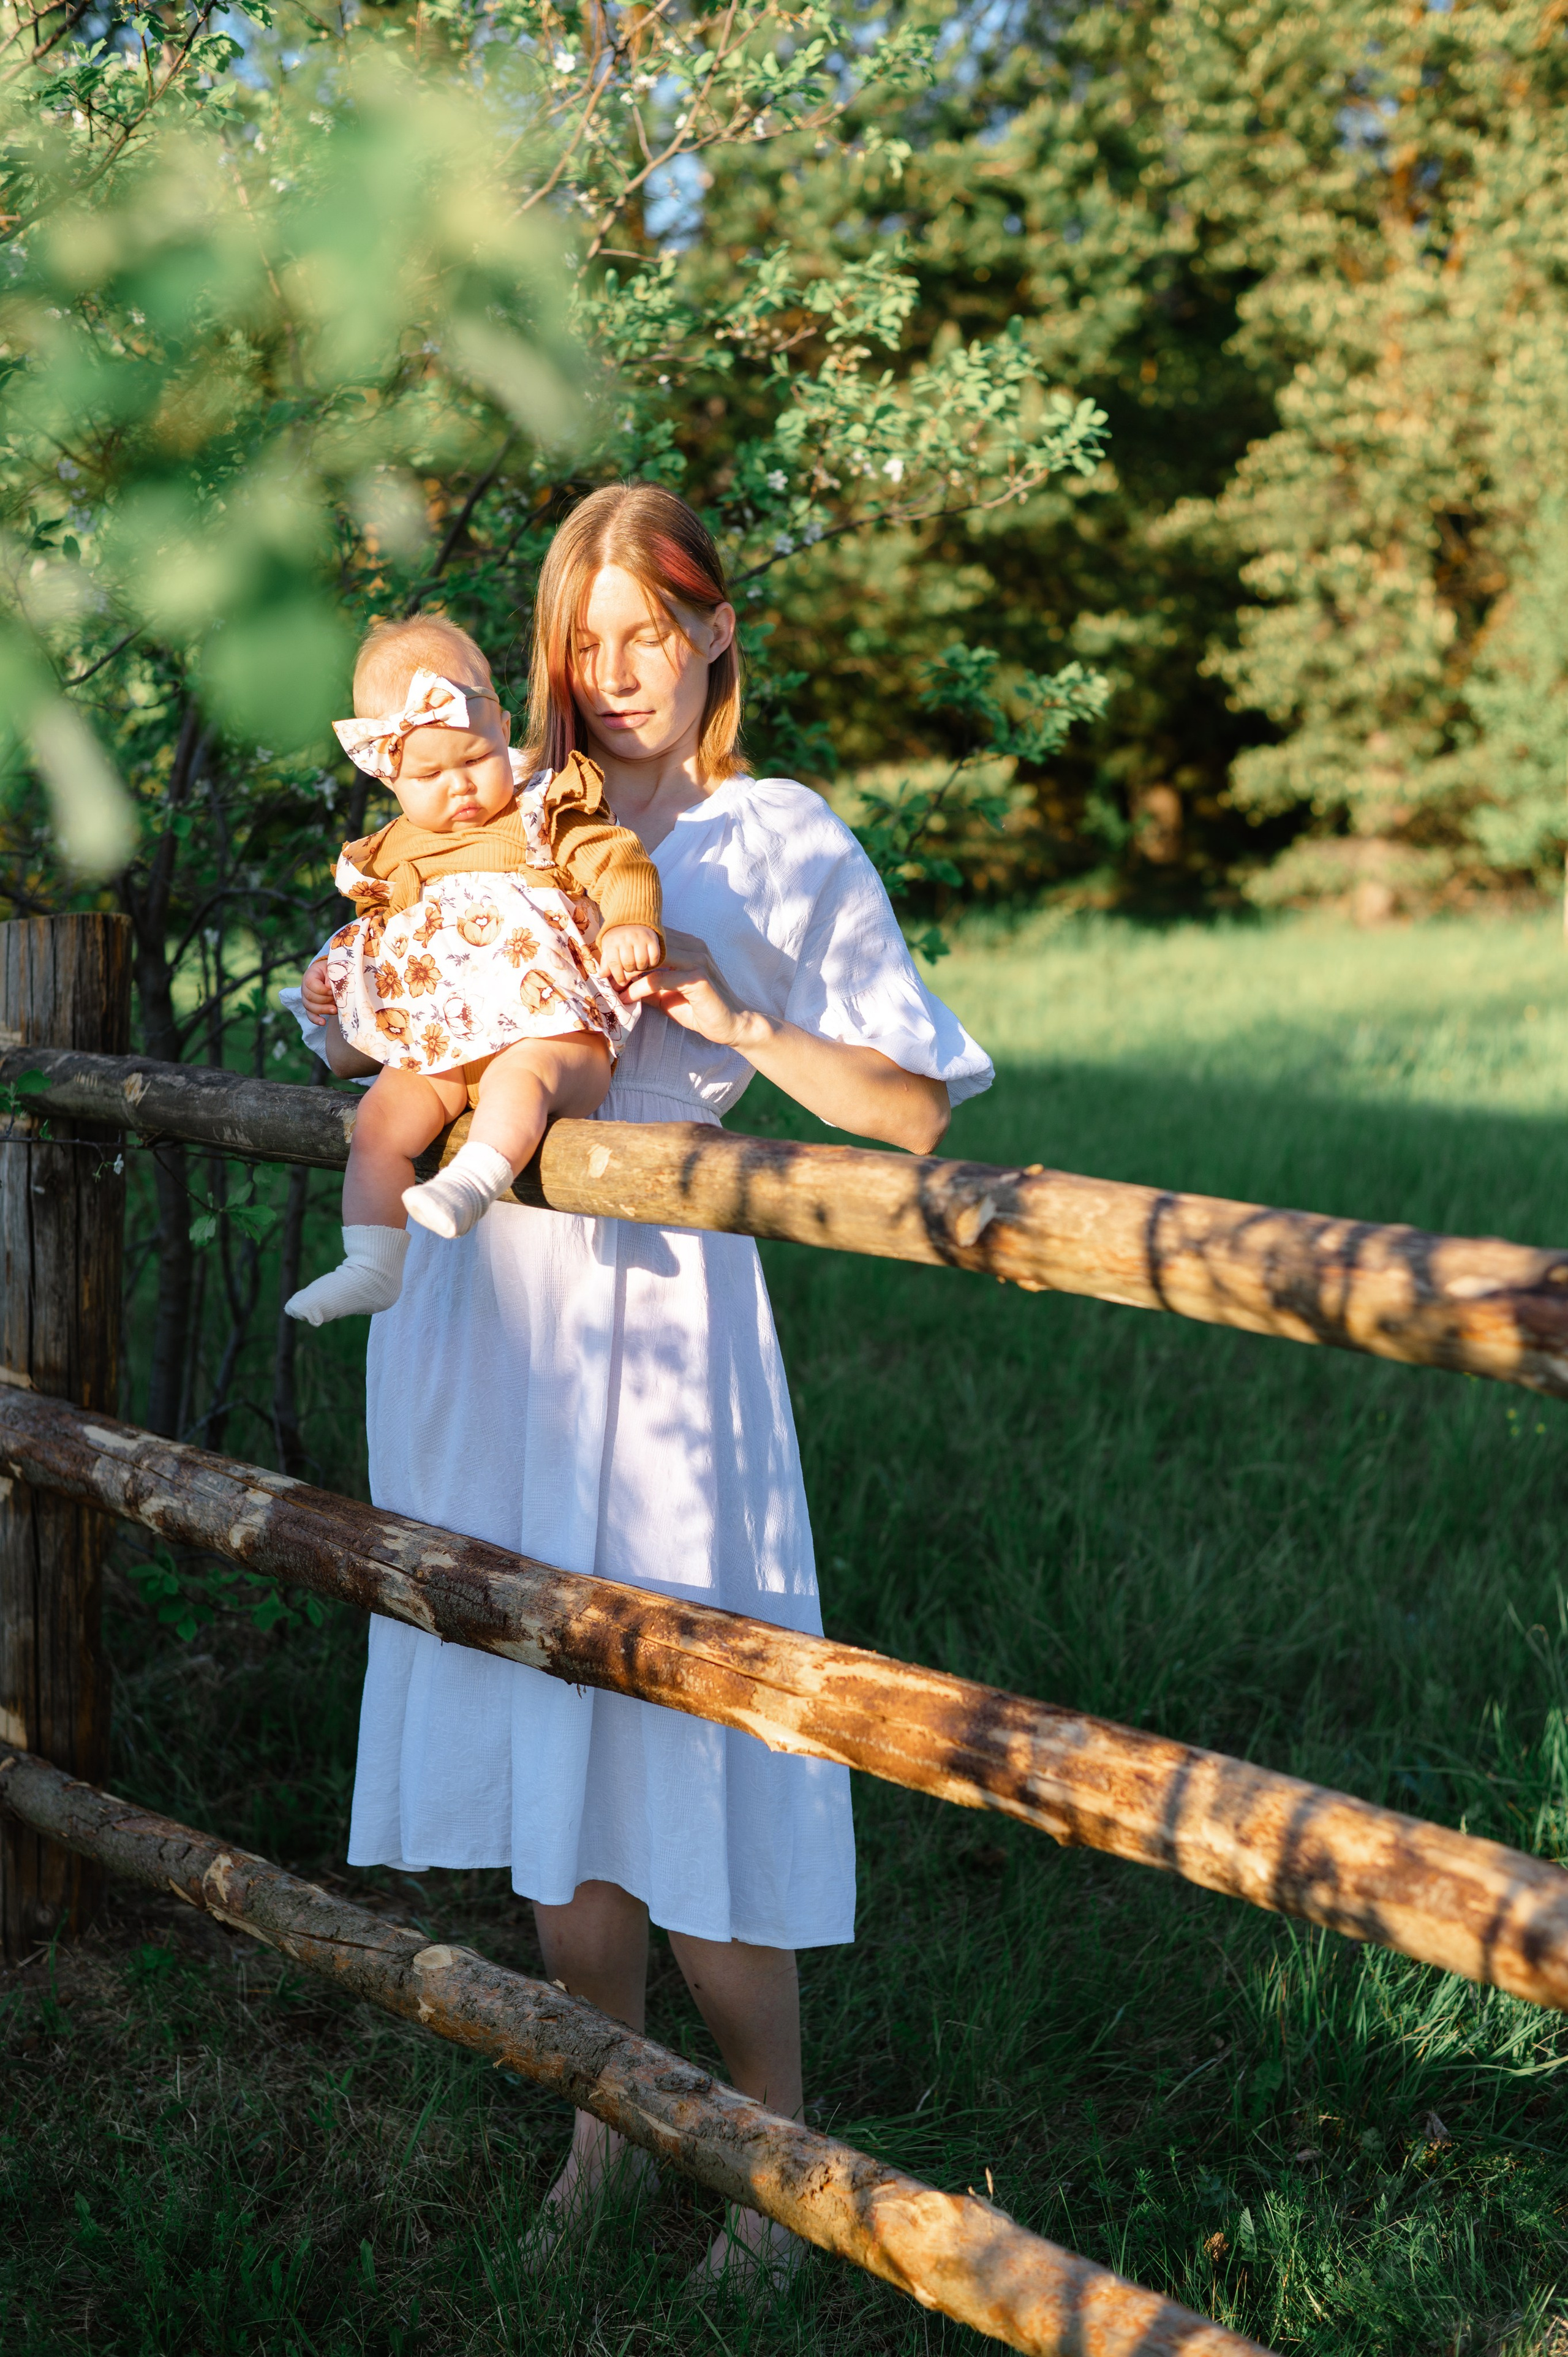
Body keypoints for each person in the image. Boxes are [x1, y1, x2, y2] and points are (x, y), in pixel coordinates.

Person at [281, 483, 993, 2289]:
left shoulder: (777, 836)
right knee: (547, 1737)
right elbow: (360, 995)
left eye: (644, 638)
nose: (610, 678)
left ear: (712, 633)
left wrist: (730, 1013)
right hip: (482, 1306)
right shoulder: (511, 804)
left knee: (699, 1730)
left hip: (663, 1325)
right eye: (579, 645)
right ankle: (607, 2107)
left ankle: (771, 2150)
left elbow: (912, 1106)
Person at [285, 618, 663, 1326]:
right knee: (380, 1120)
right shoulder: (395, 851)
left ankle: (474, 1181)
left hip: (555, 1037)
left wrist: (631, 920)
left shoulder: (542, 808)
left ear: (503, 729)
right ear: (387, 773)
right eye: (429, 774)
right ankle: (371, 1263)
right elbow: (375, 938)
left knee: (520, 1078)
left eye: (475, 758)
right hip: (442, 1042)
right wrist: (325, 978)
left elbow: (620, 861)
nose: (459, 787)